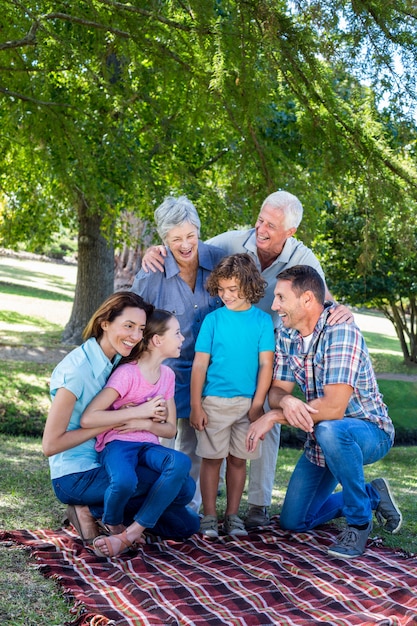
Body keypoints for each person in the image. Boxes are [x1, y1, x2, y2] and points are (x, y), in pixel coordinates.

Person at [141, 189, 353, 528]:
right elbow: (188, 244)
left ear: (290, 232)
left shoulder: (303, 257)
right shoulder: (234, 242)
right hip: (218, 356)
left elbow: (319, 294)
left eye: (272, 225)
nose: (262, 229)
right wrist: (159, 250)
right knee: (201, 444)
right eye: (260, 220)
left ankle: (256, 507)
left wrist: (338, 308)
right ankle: (196, 510)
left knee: (263, 425)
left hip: (265, 346)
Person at [246, 265, 402, 558]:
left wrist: (273, 415)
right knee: (294, 521)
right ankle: (372, 494)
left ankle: (358, 522)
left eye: (280, 297)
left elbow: (333, 407)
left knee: (330, 428)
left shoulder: (341, 331)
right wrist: (286, 401)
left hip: (368, 430)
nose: (274, 305)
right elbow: (278, 390)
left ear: (306, 299)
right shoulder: (286, 335)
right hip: (322, 438)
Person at [42, 292, 200, 549]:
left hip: (110, 460)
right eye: (128, 326)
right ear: (105, 323)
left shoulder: (116, 359)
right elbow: (50, 445)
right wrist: (128, 416)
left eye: (140, 329)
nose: (136, 336)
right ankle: (91, 509)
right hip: (76, 474)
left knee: (186, 523)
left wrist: (147, 415)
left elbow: (135, 397)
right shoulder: (76, 372)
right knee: (181, 487)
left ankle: (101, 509)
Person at [131, 195, 225, 512]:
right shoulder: (151, 274)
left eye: (190, 236)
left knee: (196, 446)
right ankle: (153, 509)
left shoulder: (221, 262)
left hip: (208, 376)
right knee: (159, 447)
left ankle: (188, 510)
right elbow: (133, 325)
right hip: (164, 376)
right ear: (164, 240)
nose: (185, 245)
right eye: (176, 239)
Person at [80, 308, 195, 557]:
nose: (182, 338)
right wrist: (137, 413)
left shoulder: (167, 376)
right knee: (124, 481)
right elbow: (89, 416)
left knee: (180, 463)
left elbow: (170, 429)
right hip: (118, 444)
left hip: (147, 444)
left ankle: (131, 532)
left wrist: (143, 423)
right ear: (157, 340)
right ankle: (109, 520)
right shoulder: (127, 374)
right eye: (177, 333)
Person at [190, 254, 275, 538]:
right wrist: (195, 405)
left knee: (239, 460)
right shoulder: (213, 321)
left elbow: (266, 365)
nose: (225, 295)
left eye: (233, 290)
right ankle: (209, 516)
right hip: (213, 403)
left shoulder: (262, 322)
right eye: (222, 289)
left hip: (248, 406)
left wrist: (258, 404)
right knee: (212, 459)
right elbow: (200, 364)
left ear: (249, 287)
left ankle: (233, 515)